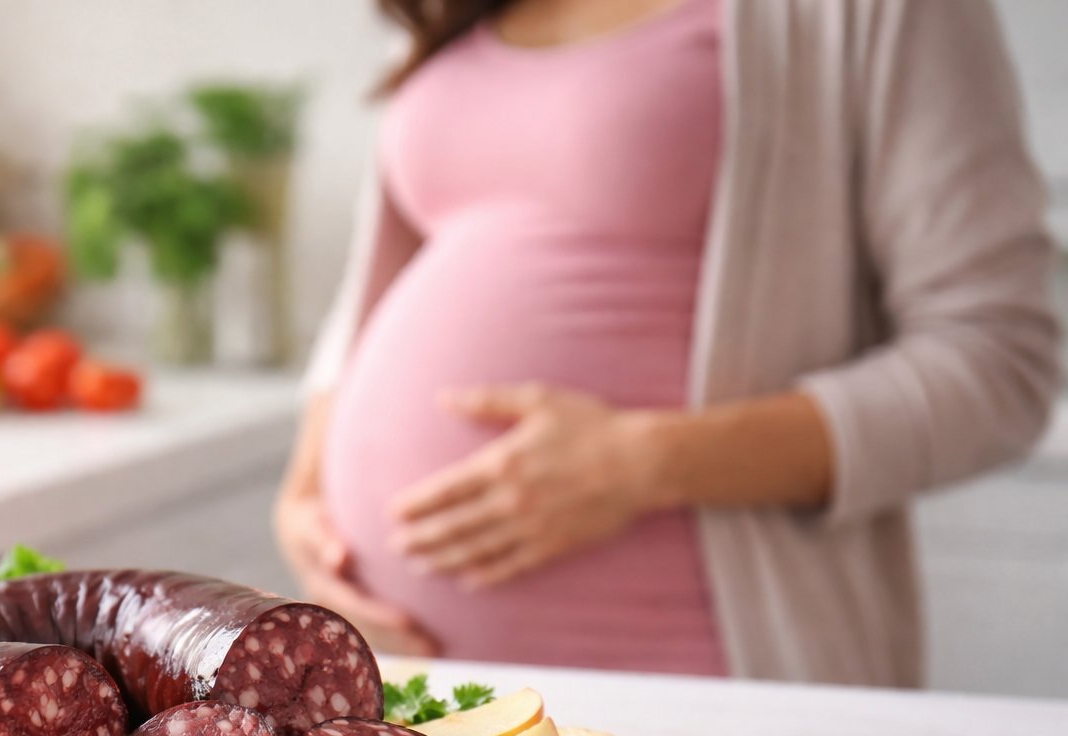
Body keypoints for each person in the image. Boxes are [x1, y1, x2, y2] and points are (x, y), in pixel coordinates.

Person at [274, 0, 1061, 686]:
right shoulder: (447, 12)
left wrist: (643, 463)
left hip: (705, 677)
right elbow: (372, 289)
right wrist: (309, 495)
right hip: (423, 686)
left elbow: (999, 362)